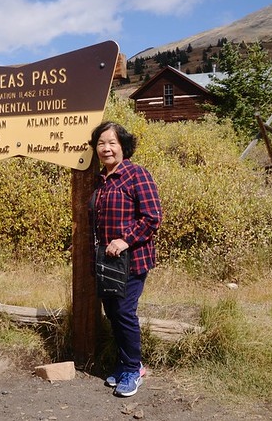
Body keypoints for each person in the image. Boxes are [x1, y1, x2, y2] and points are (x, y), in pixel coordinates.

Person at [87, 121, 162, 397]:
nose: (106, 148)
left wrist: (125, 239)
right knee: (114, 313)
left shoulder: (136, 174)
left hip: (132, 261)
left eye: (112, 143)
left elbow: (153, 217)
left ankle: (134, 368)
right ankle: (124, 362)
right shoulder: (101, 180)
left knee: (124, 312)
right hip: (107, 264)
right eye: (101, 143)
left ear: (123, 146)